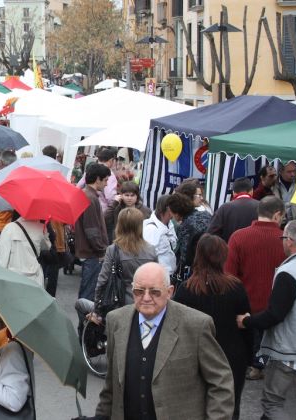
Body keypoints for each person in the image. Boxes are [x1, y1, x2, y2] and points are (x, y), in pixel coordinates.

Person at [95, 262, 235, 420]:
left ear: (169, 292)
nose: (146, 298)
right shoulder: (116, 320)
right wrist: (101, 415)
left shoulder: (196, 325)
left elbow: (221, 382)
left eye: (155, 292)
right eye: (139, 291)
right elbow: (111, 385)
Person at [237, 220, 296, 419]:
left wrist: (247, 321)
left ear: (289, 241)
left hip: (286, 351)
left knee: (273, 405)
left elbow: (275, 314)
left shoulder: (289, 272)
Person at [174, 234, 253, 419]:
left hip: (196, 357)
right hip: (232, 356)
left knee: (196, 406)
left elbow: (176, 326)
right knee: (230, 406)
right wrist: (249, 357)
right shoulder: (235, 287)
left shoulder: (187, 289)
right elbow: (245, 323)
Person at [225, 196, 287, 381]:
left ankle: (252, 364)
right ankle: (265, 364)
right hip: (277, 306)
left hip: (246, 305)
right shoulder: (286, 240)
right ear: (277, 215)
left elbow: (229, 275)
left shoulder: (238, 237)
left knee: (250, 339)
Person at [74, 163, 110, 301]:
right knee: (88, 294)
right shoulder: (89, 197)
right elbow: (92, 230)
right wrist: (101, 250)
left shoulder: (87, 194)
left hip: (90, 252)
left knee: (88, 291)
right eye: (105, 180)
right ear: (97, 180)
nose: (106, 184)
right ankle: (84, 322)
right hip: (91, 253)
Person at [0, 216, 50, 287]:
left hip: (13, 279)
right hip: (35, 278)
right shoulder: (41, 228)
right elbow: (47, 246)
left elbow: (1, 260)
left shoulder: (9, 228)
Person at [167, 190, 211, 282]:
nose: (171, 216)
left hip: (199, 270)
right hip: (214, 262)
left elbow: (185, 257)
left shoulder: (185, 226)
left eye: (171, 212)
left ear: (177, 212)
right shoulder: (206, 215)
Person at [208, 177, 258, 242]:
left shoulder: (224, 208)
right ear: (251, 191)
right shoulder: (261, 206)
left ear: (233, 192)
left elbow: (211, 233)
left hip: (229, 250)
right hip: (256, 250)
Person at [142, 195, 177, 276]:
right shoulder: (151, 229)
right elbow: (147, 257)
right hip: (157, 276)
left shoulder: (170, 224)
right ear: (168, 208)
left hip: (168, 275)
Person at [77, 147, 118, 211]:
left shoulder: (91, 169)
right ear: (111, 160)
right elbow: (110, 196)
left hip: (85, 204)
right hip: (102, 209)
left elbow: (79, 186)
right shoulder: (110, 175)